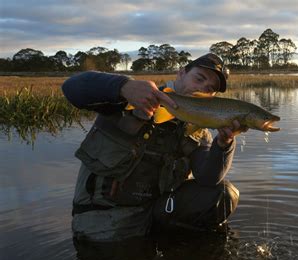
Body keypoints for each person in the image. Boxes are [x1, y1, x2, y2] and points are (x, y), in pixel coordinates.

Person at [62, 53, 244, 242]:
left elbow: (208, 179)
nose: (202, 89)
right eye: (199, 78)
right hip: (104, 224)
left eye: (210, 89)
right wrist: (123, 86)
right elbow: (72, 87)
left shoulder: (197, 130)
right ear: (181, 73)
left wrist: (223, 144)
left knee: (223, 194)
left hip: (155, 214)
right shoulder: (131, 97)